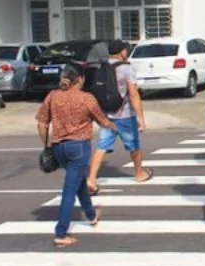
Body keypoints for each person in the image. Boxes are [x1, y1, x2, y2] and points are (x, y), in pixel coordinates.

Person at [35, 65, 117, 248]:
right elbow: (102, 120)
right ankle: (61, 233)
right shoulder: (86, 98)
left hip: (58, 148)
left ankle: (91, 215)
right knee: (69, 191)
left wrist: (47, 145)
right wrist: (116, 127)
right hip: (79, 147)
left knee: (79, 182)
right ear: (79, 79)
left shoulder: (53, 96)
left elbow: (41, 123)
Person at [85, 39, 151, 195]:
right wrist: (140, 117)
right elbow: (133, 94)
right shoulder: (126, 69)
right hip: (125, 115)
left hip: (106, 114)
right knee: (133, 145)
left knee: (102, 146)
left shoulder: (103, 66)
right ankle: (139, 173)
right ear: (122, 52)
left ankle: (92, 179)